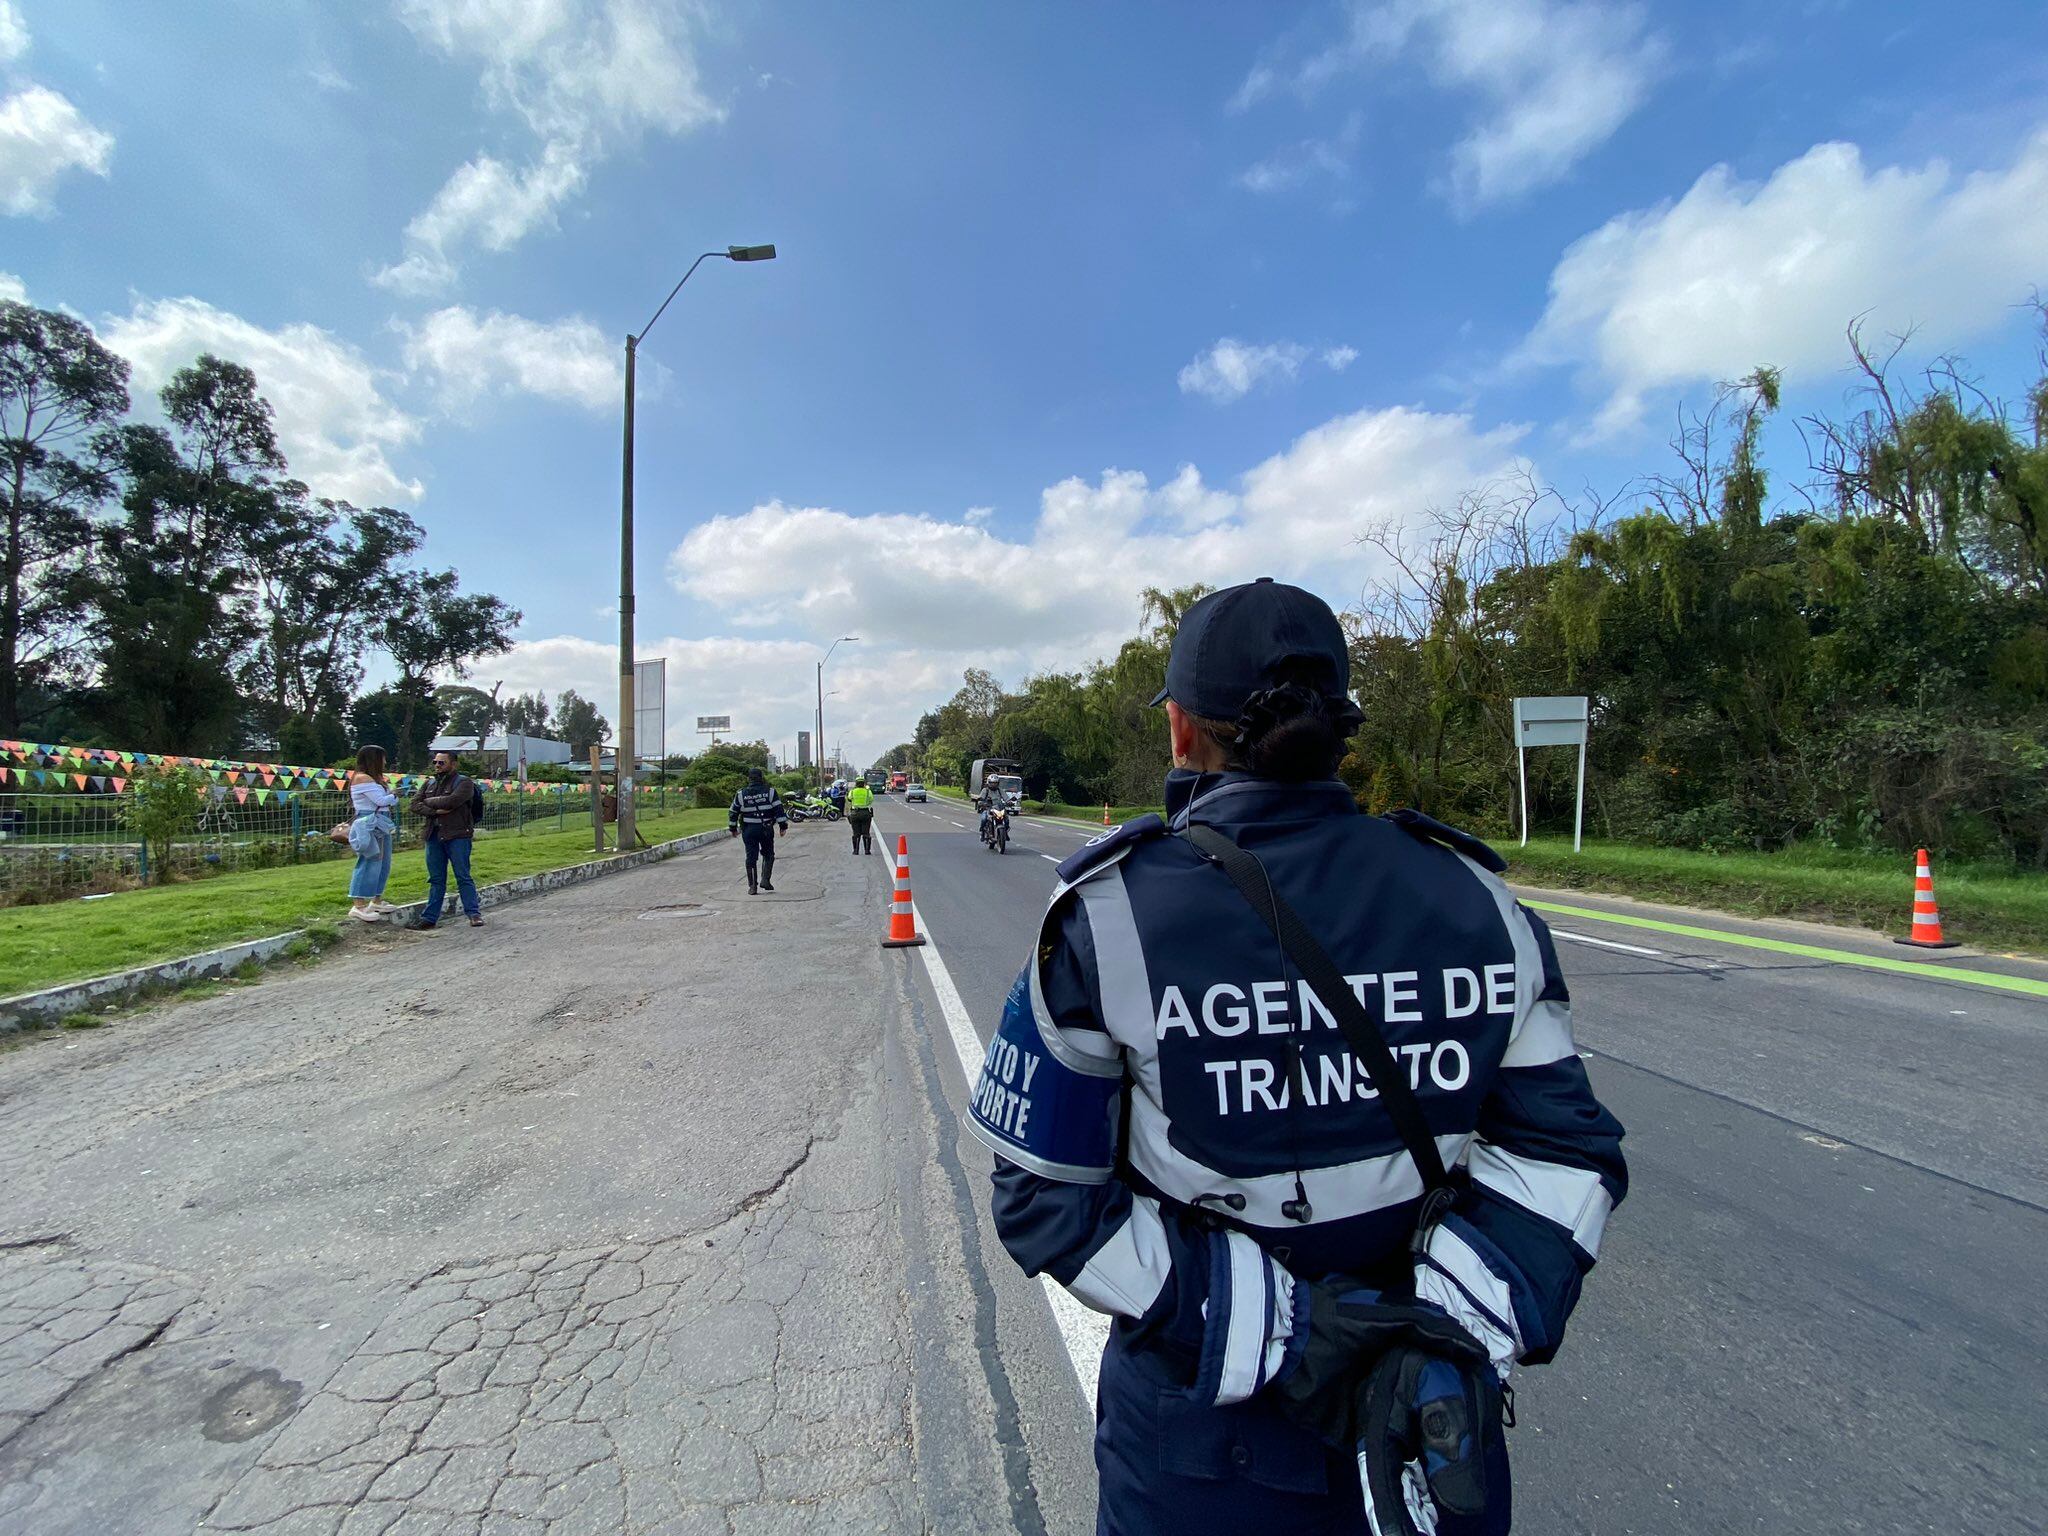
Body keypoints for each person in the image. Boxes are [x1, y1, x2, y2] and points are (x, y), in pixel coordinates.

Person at [967, 577, 1627, 1535]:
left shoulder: (1107, 918)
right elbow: (1565, 1155)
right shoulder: (1481, 901)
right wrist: (1428, 1337)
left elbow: (1046, 1197)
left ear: (1184, 731)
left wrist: (1293, 1338)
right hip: (1427, 1438)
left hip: (1202, 1451)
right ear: (1341, 729)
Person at [408, 750, 484, 929]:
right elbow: (414, 804)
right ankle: (429, 918)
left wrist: (428, 802)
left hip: (458, 835)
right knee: (435, 878)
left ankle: (473, 914)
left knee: (463, 876)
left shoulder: (465, 783)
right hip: (433, 835)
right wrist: (434, 811)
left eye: (441, 763)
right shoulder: (429, 783)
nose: (437, 766)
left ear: (453, 764)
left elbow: (453, 801)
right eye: (435, 762)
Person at [345, 745, 398, 923]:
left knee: (383, 863)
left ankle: (376, 900)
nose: (385, 762)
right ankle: (358, 904)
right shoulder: (362, 778)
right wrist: (393, 796)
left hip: (380, 823)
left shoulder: (374, 779)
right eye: (382, 758)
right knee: (369, 861)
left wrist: (390, 797)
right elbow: (382, 800)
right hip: (370, 823)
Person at [729, 767, 788, 893]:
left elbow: (733, 812)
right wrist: (783, 826)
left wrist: (733, 828)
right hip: (766, 829)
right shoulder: (770, 792)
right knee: (768, 854)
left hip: (749, 830)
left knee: (751, 857)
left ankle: (752, 886)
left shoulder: (741, 794)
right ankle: (765, 880)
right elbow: (779, 809)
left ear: (749, 779)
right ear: (761, 778)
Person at [846, 777, 875, 855]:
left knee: (856, 833)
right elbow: (871, 800)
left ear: (856, 783)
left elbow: (849, 799)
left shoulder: (852, 792)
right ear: (863, 784)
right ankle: (867, 850)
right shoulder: (868, 792)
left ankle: (856, 851)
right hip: (865, 813)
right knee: (866, 833)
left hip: (855, 814)